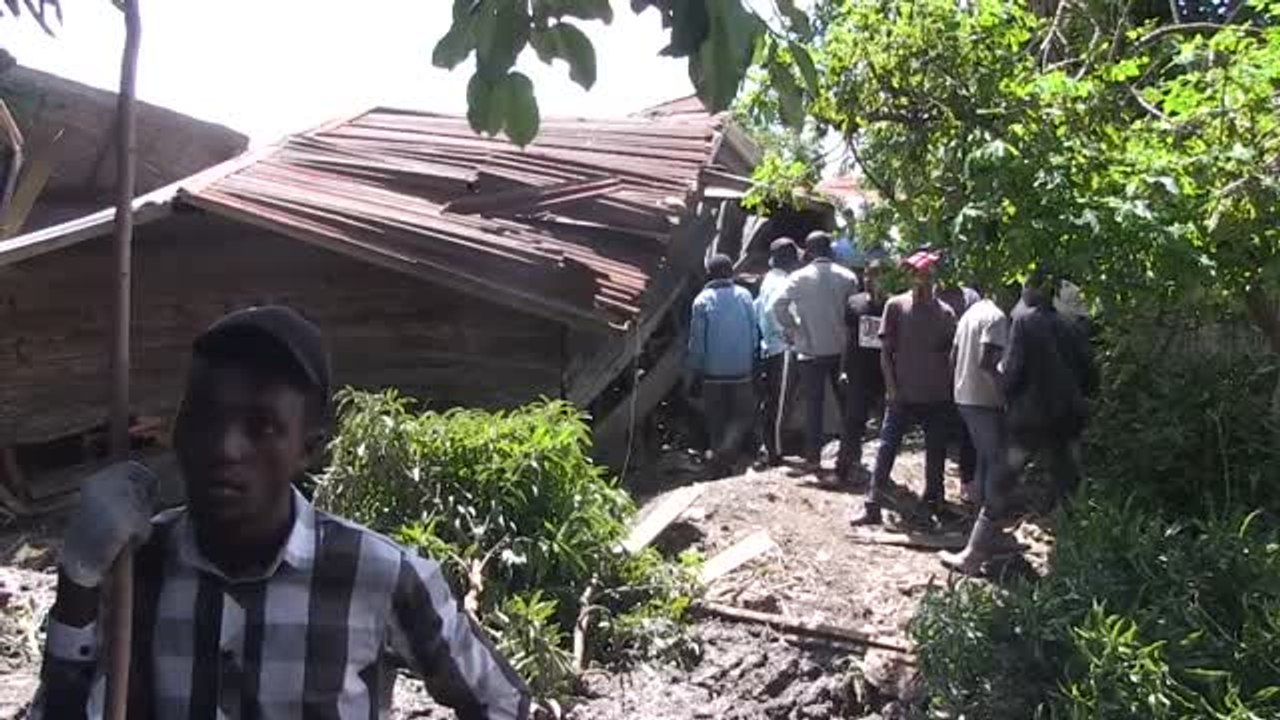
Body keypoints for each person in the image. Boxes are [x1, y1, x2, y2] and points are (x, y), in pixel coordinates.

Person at [31, 306, 532, 720]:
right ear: (178, 428)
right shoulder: (133, 568)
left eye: (262, 426)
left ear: (308, 449)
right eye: (205, 415)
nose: (225, 447)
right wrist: (77, 585)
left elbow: (503, 704)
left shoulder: (379, 575)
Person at [852, 250, 957, 526]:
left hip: (936, 395)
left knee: (936, 452)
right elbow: (886, 353)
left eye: (927, 276)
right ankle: (872, 503)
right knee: (887, 448)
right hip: (903, 394)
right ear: (910, 278)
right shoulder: (896, 306)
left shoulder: (946, 313)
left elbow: (950, 355)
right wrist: (892, 389)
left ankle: (934, 501)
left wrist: (948, 390)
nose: (922, 281)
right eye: (917, 276)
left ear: (934, 278)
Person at [1001, 270, 1098, 507]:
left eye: (1026, 287)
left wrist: (1007, 396)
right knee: (1067, 474)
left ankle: (988, 521)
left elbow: (1013, 370)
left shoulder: (1024, 323)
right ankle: (1067, 520)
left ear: (1039, 291)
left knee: (1009, 469)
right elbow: (1090, 372)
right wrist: (1082, 396)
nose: (1023, 292)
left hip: (1031, 413)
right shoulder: (1071, 326)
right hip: (1066, 413)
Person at [769, 231, 860, 471]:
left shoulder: (798, 278)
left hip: (809, 350)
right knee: (846, 404)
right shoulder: (848, 277)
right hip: (841, 351)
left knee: (814, 406)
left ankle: (813, 458)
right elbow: (855, 311)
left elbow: (778, 306)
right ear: (830, 249)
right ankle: (852, 455)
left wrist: (794, 328)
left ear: (808, 252)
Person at [939, 290, 1012, 572]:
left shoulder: (969, 314)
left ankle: (982, 535)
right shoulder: (996, 317)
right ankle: (977, 551)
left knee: (984, 462)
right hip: (984, 400)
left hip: (965, 397)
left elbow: (953, 357)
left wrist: (955, 388)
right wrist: (1006, 393)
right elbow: (987, 361)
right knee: (997, 467)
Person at [687, 254, 759, 478]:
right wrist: (751, 359)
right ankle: (728, 450)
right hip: (742, 371)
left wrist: (695, 371)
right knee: (743, 414)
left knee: (715, 418)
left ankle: (719, 462)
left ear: (709, 275)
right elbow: (754, 334)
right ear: (731, 272)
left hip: (712, 373)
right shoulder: (745, 296)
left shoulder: (701, 301)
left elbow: (697, 344)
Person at [835, 258, 888, 484]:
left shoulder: (892, 305)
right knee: (853, 420)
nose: (870, 279)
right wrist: (843, 369)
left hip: (885, 371)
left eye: (876, 275)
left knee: (887, 422)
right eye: (868, 275)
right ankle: (845, 466)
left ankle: (883, 472)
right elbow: (847, 339)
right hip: (859, 369)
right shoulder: (854, 303)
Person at [755, 238, 801, 466]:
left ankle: (769, 446)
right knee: (781, 403)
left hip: (770, 347)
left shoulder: (768, 279)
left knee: (773, 401)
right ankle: (775, 452)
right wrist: (789, 331)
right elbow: (776, 308)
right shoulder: (783, 282)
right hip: (783, 348)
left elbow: (758, 308)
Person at [938, 281, 980, 500]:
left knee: (967, 429)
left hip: (963, 369)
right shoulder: (930, 296)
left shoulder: (970, 297)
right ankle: (935, 488)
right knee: (937, 429)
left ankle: (967, 479)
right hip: (937, 371)